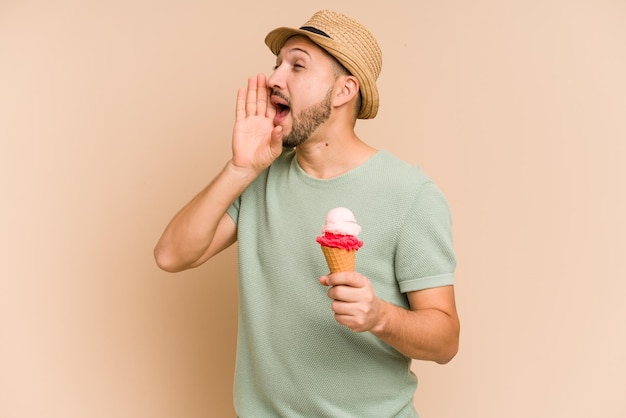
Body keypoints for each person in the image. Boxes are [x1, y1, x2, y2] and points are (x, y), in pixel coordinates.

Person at [154, 9, 460, 418]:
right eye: (277, 65)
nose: (275, 79)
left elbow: (445, 340)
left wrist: (379, 316)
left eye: (297, 65)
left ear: (343, 91)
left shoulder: (410, 195)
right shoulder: (259, 178)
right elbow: (172, 255)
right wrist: (239, 169)